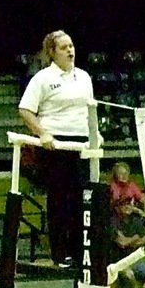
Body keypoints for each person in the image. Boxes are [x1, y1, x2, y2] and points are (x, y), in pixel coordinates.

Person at [18, 30, 94, 268]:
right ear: (52, 52)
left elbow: (90, 109)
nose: (70, 51)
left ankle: (81, 252)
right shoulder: (42, 78)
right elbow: (25, 109)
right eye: (64, 47)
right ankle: (60, 253)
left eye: (71, 46)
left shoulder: (84, 77)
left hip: (80, 142)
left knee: (80, 200)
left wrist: (95, 134)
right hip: (56, 144)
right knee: (59, 199)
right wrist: (43, 133)